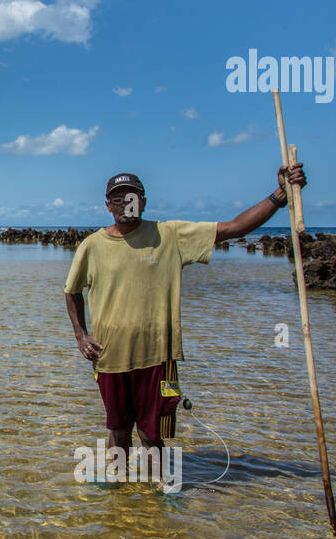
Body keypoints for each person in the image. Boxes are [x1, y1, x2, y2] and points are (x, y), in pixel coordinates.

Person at [63, 166, 306, 486]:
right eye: (117, 199)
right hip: (109, 358)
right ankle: (118, 502)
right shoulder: (92, 246)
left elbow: (233, 229)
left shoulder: (170, 235)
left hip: (159, 359)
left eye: (132, 197)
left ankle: (160, 499)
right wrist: (81, 336)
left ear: (144, 202)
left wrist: (280, 196)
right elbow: (72, 291)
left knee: (152, 435)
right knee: (118, 432)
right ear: (108, 205)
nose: (125, 203)